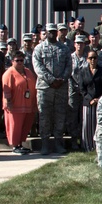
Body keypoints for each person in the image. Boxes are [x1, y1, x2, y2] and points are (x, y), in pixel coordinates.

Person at [32, 23, 73, 155]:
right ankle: (45, 143)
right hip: (45, 88)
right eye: (49, 32)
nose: (52, 34)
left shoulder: (64, 49)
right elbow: (38, 67)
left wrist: (62, 79)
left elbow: (69, 66)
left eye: (54, 31)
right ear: (45, 32)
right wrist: (51, 80)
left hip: (61, 87)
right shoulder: (39, 49)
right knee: (44, 115)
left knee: (60, 115)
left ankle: (58, 143)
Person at [75, 48, 102, 152]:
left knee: (99, 125)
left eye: (94, 58)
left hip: (101, 101)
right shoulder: (83, 71)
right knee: (87, 125)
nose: (93, 60)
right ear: (87, 59)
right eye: (90, 58)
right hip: (88, 102)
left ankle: (99, 146)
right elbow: (81, 88)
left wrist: (99, 99)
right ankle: (87, 146)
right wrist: (90, 99)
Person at [2, 52, 37, 154]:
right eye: (17, 60)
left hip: (28, 105)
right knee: (15, 126)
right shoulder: (9, 73)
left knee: (25, 126)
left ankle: (20, 144)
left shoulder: (28, 71)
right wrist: (8, 102)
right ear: (12, 61)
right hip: (14, 106)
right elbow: (6, 90)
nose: (20, 62)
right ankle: (14, 146)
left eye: (22, 60)